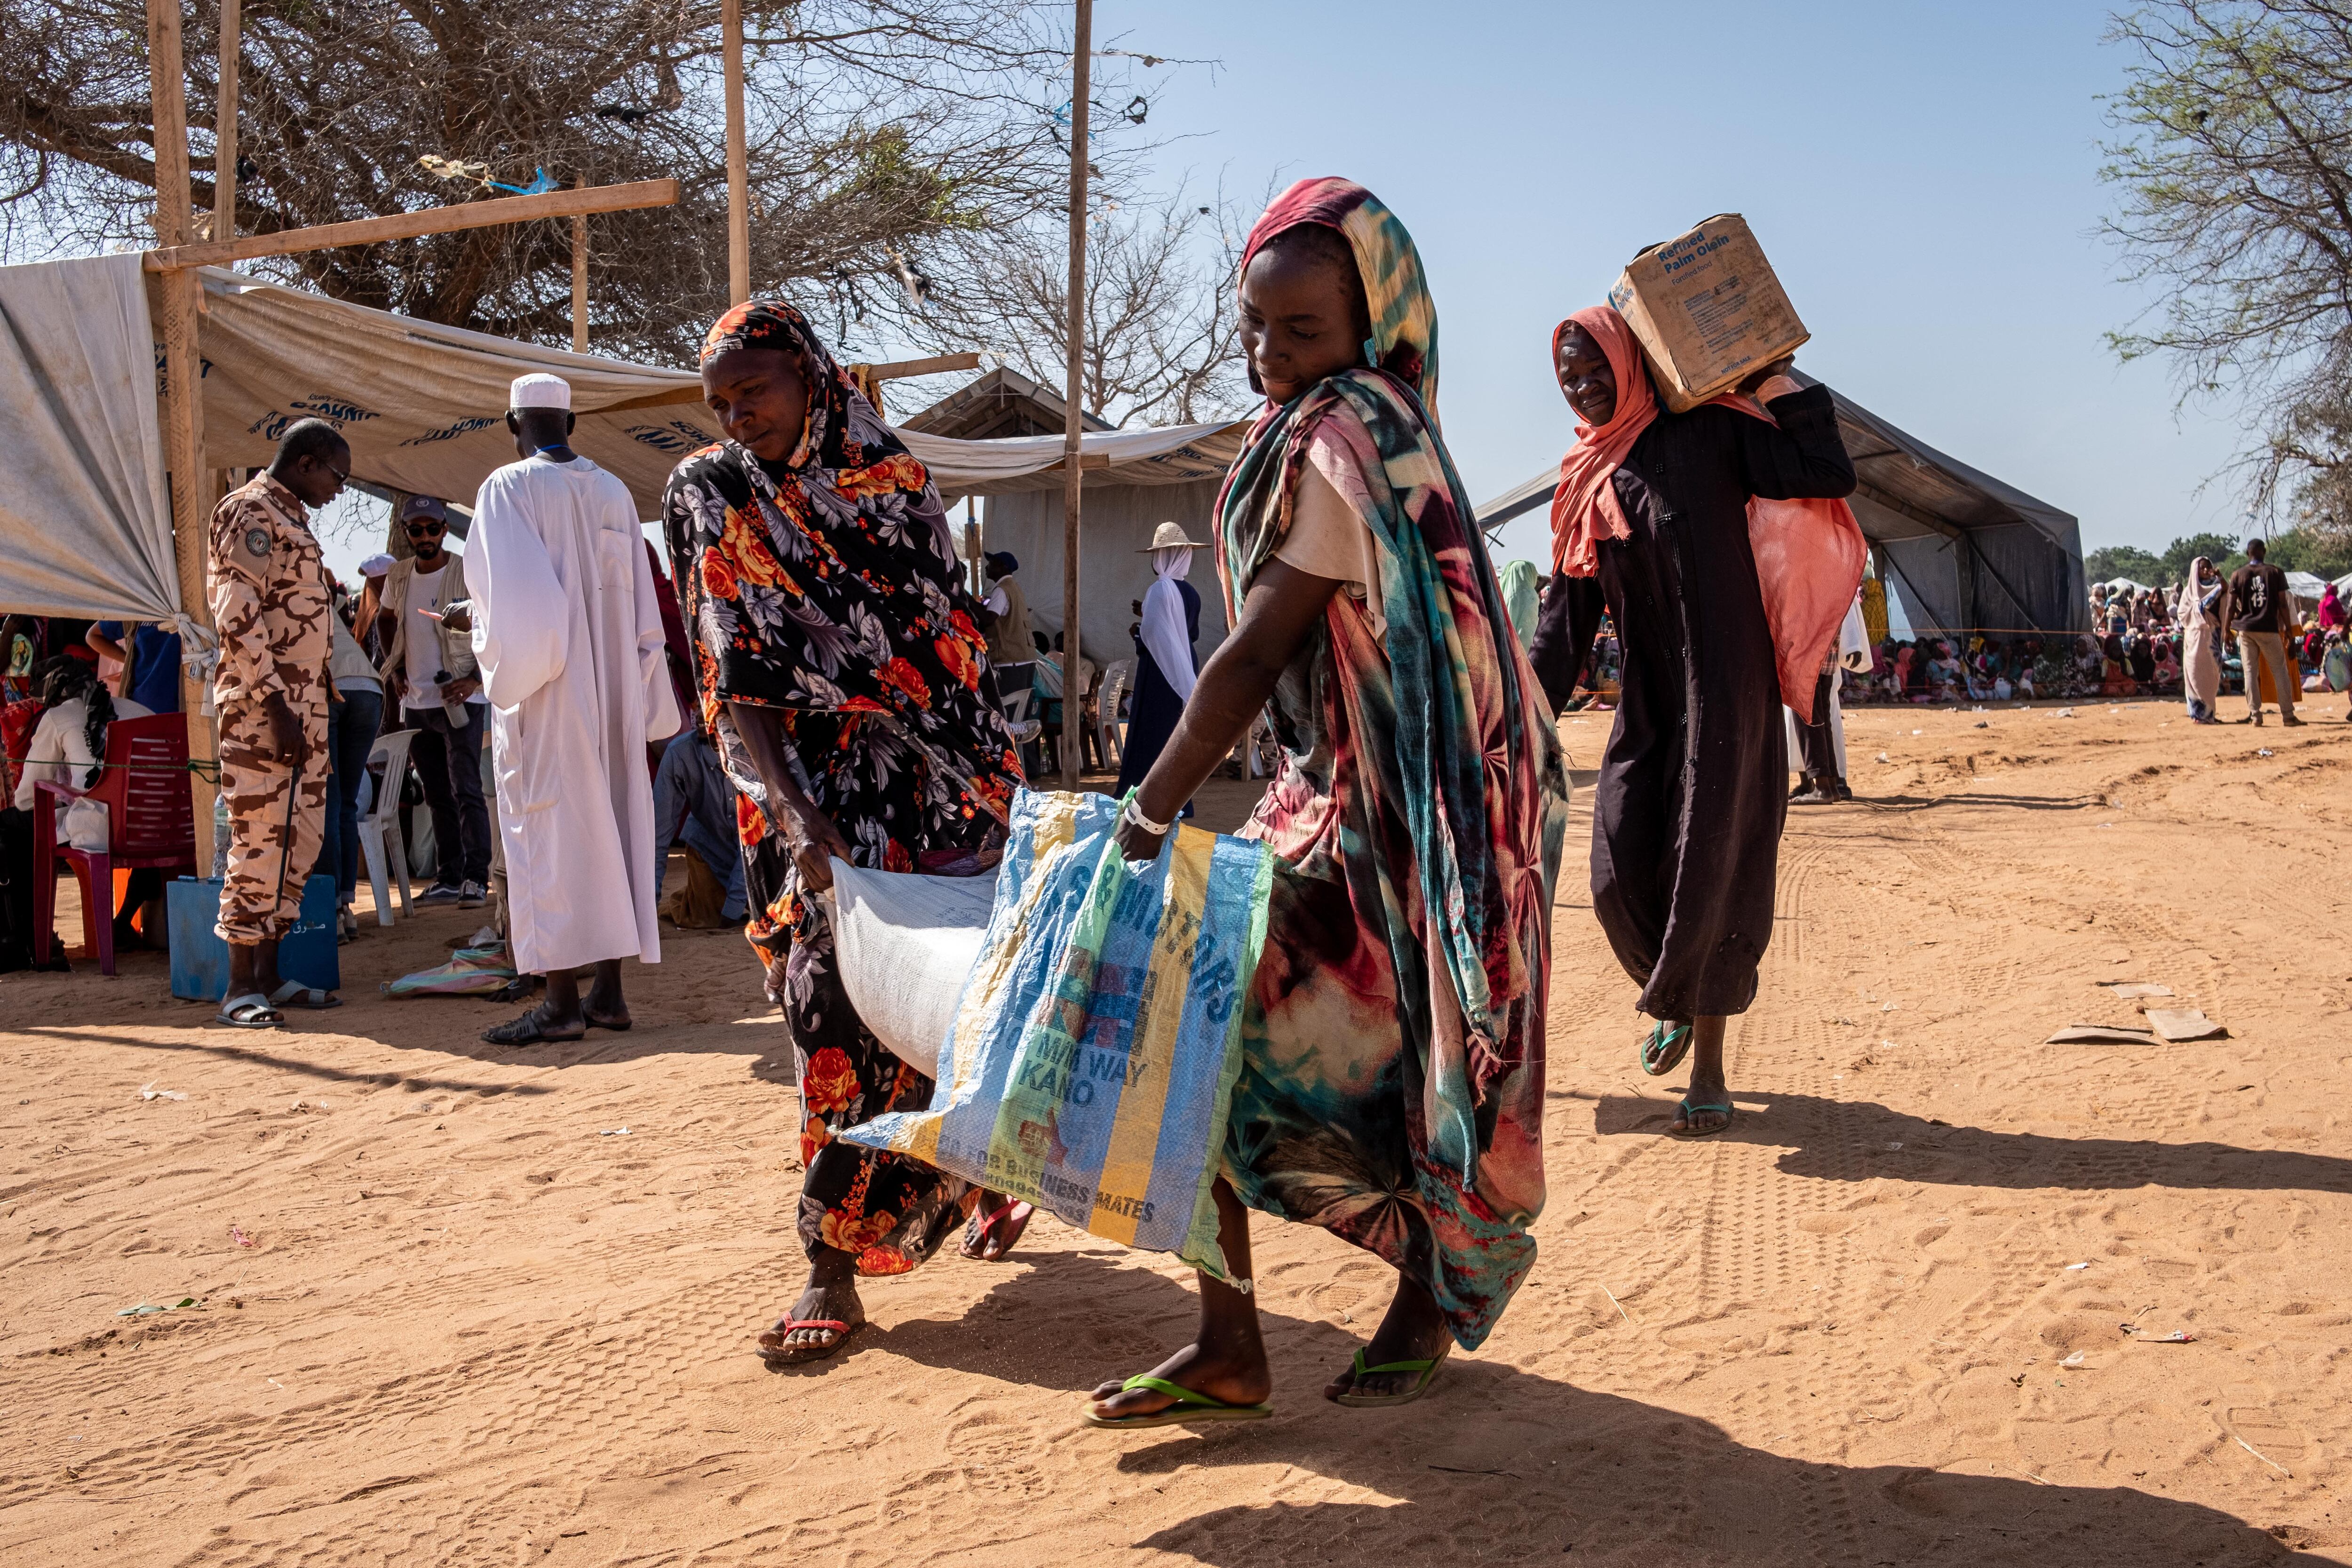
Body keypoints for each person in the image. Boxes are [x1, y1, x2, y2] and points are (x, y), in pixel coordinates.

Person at [1085, 179, 1567, 1426]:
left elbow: (1250, 657)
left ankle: (1397, 1291)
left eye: (1301, 328)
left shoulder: (1346, 435)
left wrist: (1145, 813)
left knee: (1252, 1038)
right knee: (1262, 1048)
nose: (1272, 352)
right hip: (1344, 795)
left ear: (1375, 316)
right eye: (1256, 327)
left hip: (1398, 811)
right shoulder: (1354, 423)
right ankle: (1235, 1340)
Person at [663, 300, 1027, 1365]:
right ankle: (829, 1264)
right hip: (809, 797)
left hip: (940, 785)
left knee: (956, 1013)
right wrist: (796, 816)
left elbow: (945, 644)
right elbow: (736, 674)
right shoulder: (712, 493)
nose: (739, 419)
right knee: (827, 1015)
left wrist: (987, 793)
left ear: (812, 376)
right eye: (719, 403)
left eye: (755, 393)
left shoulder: (896, 481)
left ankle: (978, 1171)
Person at [1530, 303, 1860, 1141]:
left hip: (1729, 686)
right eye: (1570, 372)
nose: (1584, 383)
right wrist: (1523, 712)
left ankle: (1708, 1064)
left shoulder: (1712, 432)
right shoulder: (1585, 477)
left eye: (1597, 365)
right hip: (1650, 696)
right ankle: (1672, 990)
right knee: (1614, 872)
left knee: (1707, 864)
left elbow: (1824, 469)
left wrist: (1767, 378)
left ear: (1631, 360)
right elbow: (1565, 621)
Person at [464, 374, 683, 1043]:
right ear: (572, 422)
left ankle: (561, 1004)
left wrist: (476, 628)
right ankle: (608, 995)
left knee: (549, 838)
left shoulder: (508, 488)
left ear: (512, 423)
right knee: (613, 833)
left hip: (549, 696)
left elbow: (524, 615)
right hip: (615, 692)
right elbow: (644, 615)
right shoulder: (614, 491)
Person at [208, 419, 344, 1026]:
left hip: (304, 710)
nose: (341, 490)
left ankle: (269, 973)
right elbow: (236, 615)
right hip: (265, 710)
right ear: (308, 462)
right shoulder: (251, 512)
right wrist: (274, 706)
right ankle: (238, 987)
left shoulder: (294, 520)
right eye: (337, 477)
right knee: (260, 839)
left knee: (300, 839)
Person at [374, 494, 491, 906]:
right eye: (416, 530)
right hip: (419, 702)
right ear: (407, 534)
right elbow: (384, 619)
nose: (425, 537)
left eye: (433, 528)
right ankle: (449, 876)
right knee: (437, 793)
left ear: (445, 529)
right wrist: (396, 666)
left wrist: (474, 681)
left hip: (460, 699)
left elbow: (492, 627)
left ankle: (477, 878)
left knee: (466, 788)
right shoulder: (399, 575)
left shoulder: (466, 571)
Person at [1, 656, 159, 963]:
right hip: (162, 828)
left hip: (102, 831)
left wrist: (65, 797)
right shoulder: (138, 711)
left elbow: (25, 799)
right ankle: (123, 921)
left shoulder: (59, 717)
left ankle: (27, 941)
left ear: (53, 693)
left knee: (9, 826)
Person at [1113, 521, 1207, 808]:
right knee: (1174, 729)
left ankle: (1144, 796)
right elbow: (1191, 634)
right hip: (1184, 660)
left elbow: (1153, 633)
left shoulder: (1159, 590)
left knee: (1151, 728)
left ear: (1160, 558)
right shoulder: (1191, 592)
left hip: (1159, 668)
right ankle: (1177, 798)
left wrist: (1137, 632)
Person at [318, 582, 384, 937]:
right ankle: (346, 906)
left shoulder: (291, 602)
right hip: (369, 688)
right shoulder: (330, 608)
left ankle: (330, 908)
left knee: (326, 804)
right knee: (344, 804)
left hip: (331, 687)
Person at [650, 714, 748, 925]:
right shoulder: (680, 752)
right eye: (698, 705)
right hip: (710, 849)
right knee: (702, 916)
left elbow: (756, 838)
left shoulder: (756, 750)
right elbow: (658, 834)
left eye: (710, 704)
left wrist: (734, 907)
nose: (702, 713)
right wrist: (649, 906)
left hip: (763, 860)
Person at [1789, 589, 1868, 803]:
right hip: (1827, 649)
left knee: (1808, 720)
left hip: (1808, 650)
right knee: (1822, 721)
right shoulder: (1833, 570)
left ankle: (1823, 787)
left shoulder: (1812, 571)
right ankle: (1830, 785)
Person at [2224, 538, 2303, 726]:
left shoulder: (2238, 574)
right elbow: (2283, 603)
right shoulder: (2275, 573)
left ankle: (2256, 716)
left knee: (2250, 671)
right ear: (2264, 552)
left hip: (2246, 629)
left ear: (2247, 554)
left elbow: (2230, 606)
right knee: (2280, 671)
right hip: (2268, 627)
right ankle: (2288, 716)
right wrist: (2289, 630)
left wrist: (2226, 630)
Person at [84, 620, 182, 715]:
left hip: (162, 702)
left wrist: (129, 661)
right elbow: (93, 636)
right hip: (150, 704)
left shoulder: (141, 606)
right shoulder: (139, 607)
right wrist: (130, 661)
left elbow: (93, 636)